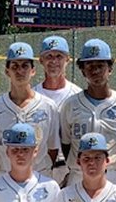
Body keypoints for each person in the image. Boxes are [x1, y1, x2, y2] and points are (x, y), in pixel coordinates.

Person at [59, 39, 116, 190]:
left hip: (114, 174)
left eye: (100, 66)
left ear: (110, 68)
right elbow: (66, 143)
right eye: (90, 66)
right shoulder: (70, 105)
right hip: (79, 173)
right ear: (82, 70)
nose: (95, 71)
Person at [0, 42, 60, 178]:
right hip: (6, 178)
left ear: (33, 70)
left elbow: (52, 149)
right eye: (15, 66)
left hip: (39, 178)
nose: (20, 71)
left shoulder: (48, 106)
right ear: (7, 71)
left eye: (25, 66)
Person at [33, 35, 81, 185]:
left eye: (59, 56)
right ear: (41, 60)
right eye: (49, 56)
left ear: (68, 59)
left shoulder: (77, 95)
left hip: (70, 167)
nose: (54, 61)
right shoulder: (33, 95)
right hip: (39, 167)